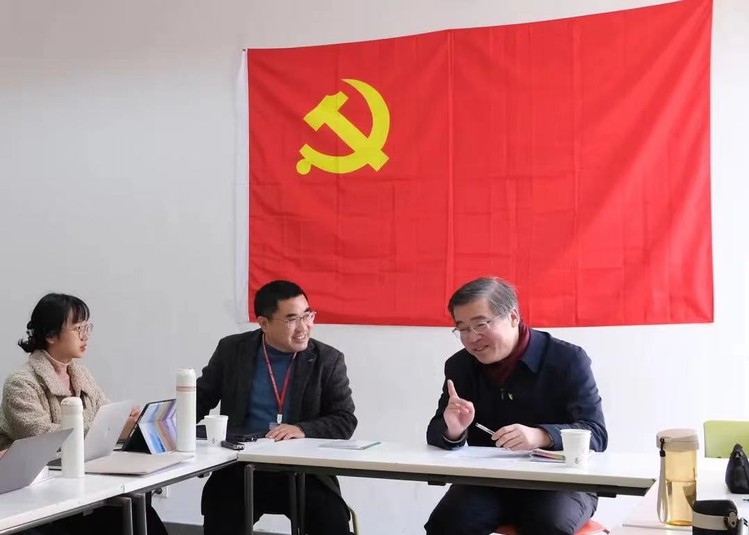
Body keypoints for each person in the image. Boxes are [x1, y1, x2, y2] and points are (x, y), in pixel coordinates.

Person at [425, 277, 608, 535]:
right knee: (446, 523)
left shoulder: (567, 359)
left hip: (561, 483)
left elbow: (596, 433)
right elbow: (436, 431)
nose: (472, 338)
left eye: (480, 324)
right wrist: (453, 431)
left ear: (512, 317)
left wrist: (541, 436)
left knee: (547, 526)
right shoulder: (460, 366)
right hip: (489, 482)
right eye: (462, 328)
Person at [197, 280, 356, 535]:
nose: (303, 327)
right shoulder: (233, 350)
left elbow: (345, 418)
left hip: (303, 470)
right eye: (292, 319)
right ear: (264, 323)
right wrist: (160, 424)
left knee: (331, 521)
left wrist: (302, 429)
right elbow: (200, 398)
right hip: (242, 466)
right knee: (221, 514)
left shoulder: (327, 359)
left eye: (308, 315)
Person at [0, 293, 168, 535]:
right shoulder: (21, 382)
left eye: (87, 327)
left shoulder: (80, 374)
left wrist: (125, 422)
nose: (85, 336)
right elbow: (40, 437)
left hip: (80, 483)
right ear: (50, 335)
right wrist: (110, 427)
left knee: (135, 508)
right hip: (34, 496)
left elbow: (105, 414)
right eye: (78, 328)